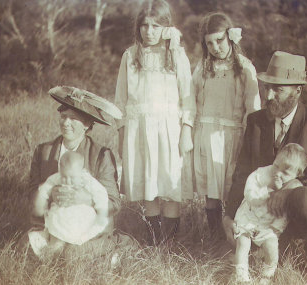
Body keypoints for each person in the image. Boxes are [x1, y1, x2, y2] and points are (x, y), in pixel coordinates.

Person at [224, 51, 307, 271]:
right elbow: (242, 174)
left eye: (278, 90)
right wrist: (228, 215)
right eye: (267, 88)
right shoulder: (256, 122)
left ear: (298, 91)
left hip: (306, 214)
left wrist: (297, 184)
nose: (269, 96)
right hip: (265, 214)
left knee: (302, 197)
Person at [114, 0, 195, 245]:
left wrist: (186, 130)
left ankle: (169, 242)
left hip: (169, 128)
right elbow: (121, 99)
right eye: (144, 25)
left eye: (156, 26)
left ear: (167, 27)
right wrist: (121, 135)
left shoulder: (176, 55)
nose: (149, 31)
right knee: (148, 185)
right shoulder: (130, 56)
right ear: (138, 27)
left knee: (169, 184)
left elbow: (188, 98)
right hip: (139, 130)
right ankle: (153, 241)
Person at [28, 86, 125, 259]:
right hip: (54, 225)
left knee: (72, 255)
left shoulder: (101, 155)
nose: (66, 123)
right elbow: (31, 193)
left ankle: (114, 248)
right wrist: (50, 195)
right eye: (63, 117)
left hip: (87, 226)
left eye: (73, 118)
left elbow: (114, 203)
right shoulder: (44, 151)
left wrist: (87, 198)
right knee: (30, 248)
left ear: (87, 125)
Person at [191, 12, 260, 238]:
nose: (215, 47)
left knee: (232, 187)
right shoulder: (203, 67)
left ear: (230, 38)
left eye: (219, 40)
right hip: (207, 134)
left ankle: (234, 236)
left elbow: (253, 108)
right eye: (209, 42)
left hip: (233, 135)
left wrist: (252, 140)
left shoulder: (244, 68)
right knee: (211, 190)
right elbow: (191, 99)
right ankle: (214, 237)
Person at [234, 143, 307, 282]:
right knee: (243, 243)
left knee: (272, 248)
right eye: (275, 166)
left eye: (285, 172)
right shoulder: (260, 174)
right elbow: (249, 194)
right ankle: (241, 276)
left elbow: (284, 215)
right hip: (248, 217)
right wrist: (267, 191)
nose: (277, 173)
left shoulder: (291, 189)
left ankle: (266, 276)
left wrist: (275, 230)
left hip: (268, 226)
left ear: (297, 175)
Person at [30, 151, 109, 258]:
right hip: (60, 214)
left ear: (81, 171)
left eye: (72, 177)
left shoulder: (86, 179)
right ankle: (51, 256)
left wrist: (102, 212)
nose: (67, 181)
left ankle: (74, 251)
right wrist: (39, 204)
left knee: (78, 242)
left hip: (80, 217)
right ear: (60, 171)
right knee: (56, 236)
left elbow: (101, 194)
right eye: (64, 176)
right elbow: (44, 189)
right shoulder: (56, 177)